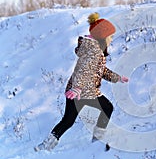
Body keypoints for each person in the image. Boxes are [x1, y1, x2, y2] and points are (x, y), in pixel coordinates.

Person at [35, 12, 129, 151]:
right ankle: (98, 139)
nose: (112, 38)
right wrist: (77, 88)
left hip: (78, 91)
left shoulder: (94, 49)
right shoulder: (94, 51)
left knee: (68, 121)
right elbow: (83, 70)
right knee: (107, 107)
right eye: (110, 36)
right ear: (103, 37)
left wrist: (117, 78)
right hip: (82, 91)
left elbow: (100, 71)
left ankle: (46, 144)